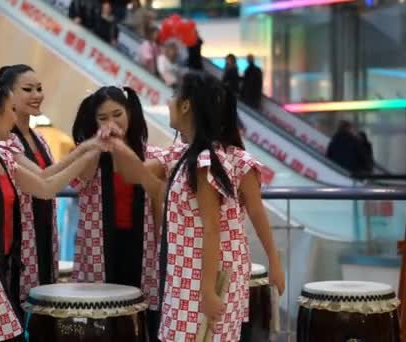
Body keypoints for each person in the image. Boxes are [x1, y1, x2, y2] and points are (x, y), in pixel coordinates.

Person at [110, 71, 285, 341]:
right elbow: (135, 174)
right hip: (187, 271)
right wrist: (117, 143)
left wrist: (208, 290)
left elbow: (216, 227)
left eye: (172, 96)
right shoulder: (184, 153)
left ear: (186, 105)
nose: (168, 102)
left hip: (206, 275)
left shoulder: (208, 160)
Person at [0, 72, 105, 342]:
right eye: (11, 110)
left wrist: (91, 148)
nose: (15, 118)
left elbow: (46, 185)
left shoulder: (2, 154)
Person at [0, 64, 109, 302]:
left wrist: (87, 148)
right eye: (28, 89)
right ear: (8, 96)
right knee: (21, 301)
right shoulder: (4, 141)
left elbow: (49, 174)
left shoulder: (38, 138)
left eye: (39, 88)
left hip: (44, 234)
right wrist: (89, 151)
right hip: (20, 238)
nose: (37, 95)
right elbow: (45, 180)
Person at [70, 86, 163, 341]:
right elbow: (82, 178)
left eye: (117, 114)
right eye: (103, 118)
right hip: (98, 246)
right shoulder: (88, 153)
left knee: (139, 318)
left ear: (130, 113)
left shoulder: (152, 155)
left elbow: (157, 201)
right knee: (100, 320)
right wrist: (100, 145)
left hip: (141, 246)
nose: (111, 123)